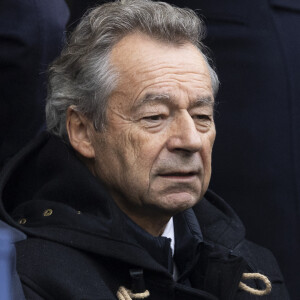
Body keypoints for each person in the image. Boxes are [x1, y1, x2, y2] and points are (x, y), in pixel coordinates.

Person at [0, 0, 289, 299]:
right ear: (82, 131)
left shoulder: (251, 270)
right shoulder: (26, 278)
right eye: (155, 117)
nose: (190, 140)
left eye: (202, 117)